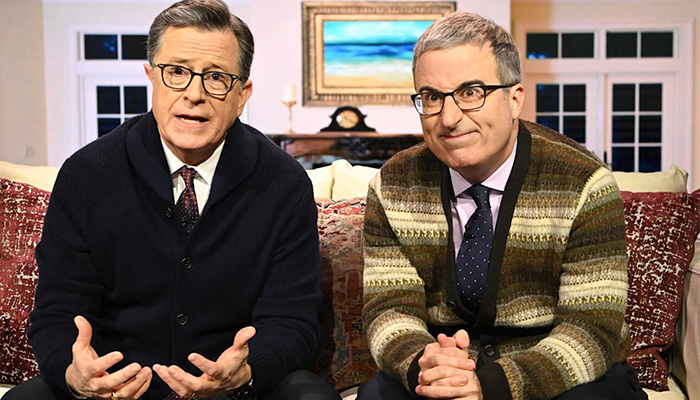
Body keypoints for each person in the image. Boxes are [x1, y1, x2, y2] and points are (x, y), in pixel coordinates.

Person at [6, 1, 340, 399]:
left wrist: (246, 372)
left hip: (233, 389)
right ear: (151, 77)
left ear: (242, 94)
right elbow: (58, 312)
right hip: (117, 388)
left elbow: (292, 320)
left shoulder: (284, 183)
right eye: (177, 72)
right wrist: (76, 373)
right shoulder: (86, 174)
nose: (194, 94)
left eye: (216, 77)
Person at [359, 11, 647, 400]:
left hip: (556, 374)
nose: (449, 118)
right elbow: (388, 310)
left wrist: (492, 386)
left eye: (471, 92)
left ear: (515, 99)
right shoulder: (393, 185)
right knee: (377, 394)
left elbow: (592, 328)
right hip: (445, 368)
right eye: (432, 97)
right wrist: (426, 366)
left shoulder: (583, 183)